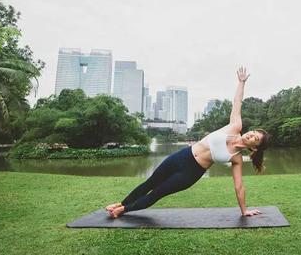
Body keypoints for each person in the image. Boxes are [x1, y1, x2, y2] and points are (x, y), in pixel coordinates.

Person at [106, 66, 270, 218]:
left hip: (191, 173)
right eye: (254, 132)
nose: (251, 135)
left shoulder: (237, 158)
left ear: (254, 149)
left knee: (158, 192)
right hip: (182, 156)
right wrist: (241, 83)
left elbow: (239, 186)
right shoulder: (235, 126)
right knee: (150, 182)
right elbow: (237, 102)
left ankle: (122, 210)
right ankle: (121, 203)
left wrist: (244, 210)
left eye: (255, 138)